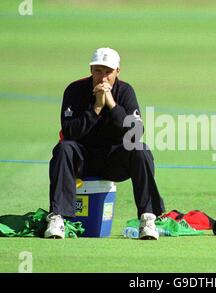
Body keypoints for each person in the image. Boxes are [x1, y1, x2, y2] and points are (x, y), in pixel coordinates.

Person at [45, 47, 165, 240]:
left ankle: (147, 218)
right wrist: (96, 109)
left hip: (113, 161)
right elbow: (69, 132)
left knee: (140, 150)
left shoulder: (125, 91)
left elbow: (135, 134)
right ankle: (58, 217)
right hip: (81, 158)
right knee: (63, 148)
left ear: (117, 71)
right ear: (91, 70)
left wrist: (112, 105)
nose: (103, 77)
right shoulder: (74, 90)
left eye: (108, 72)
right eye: (98, 70)